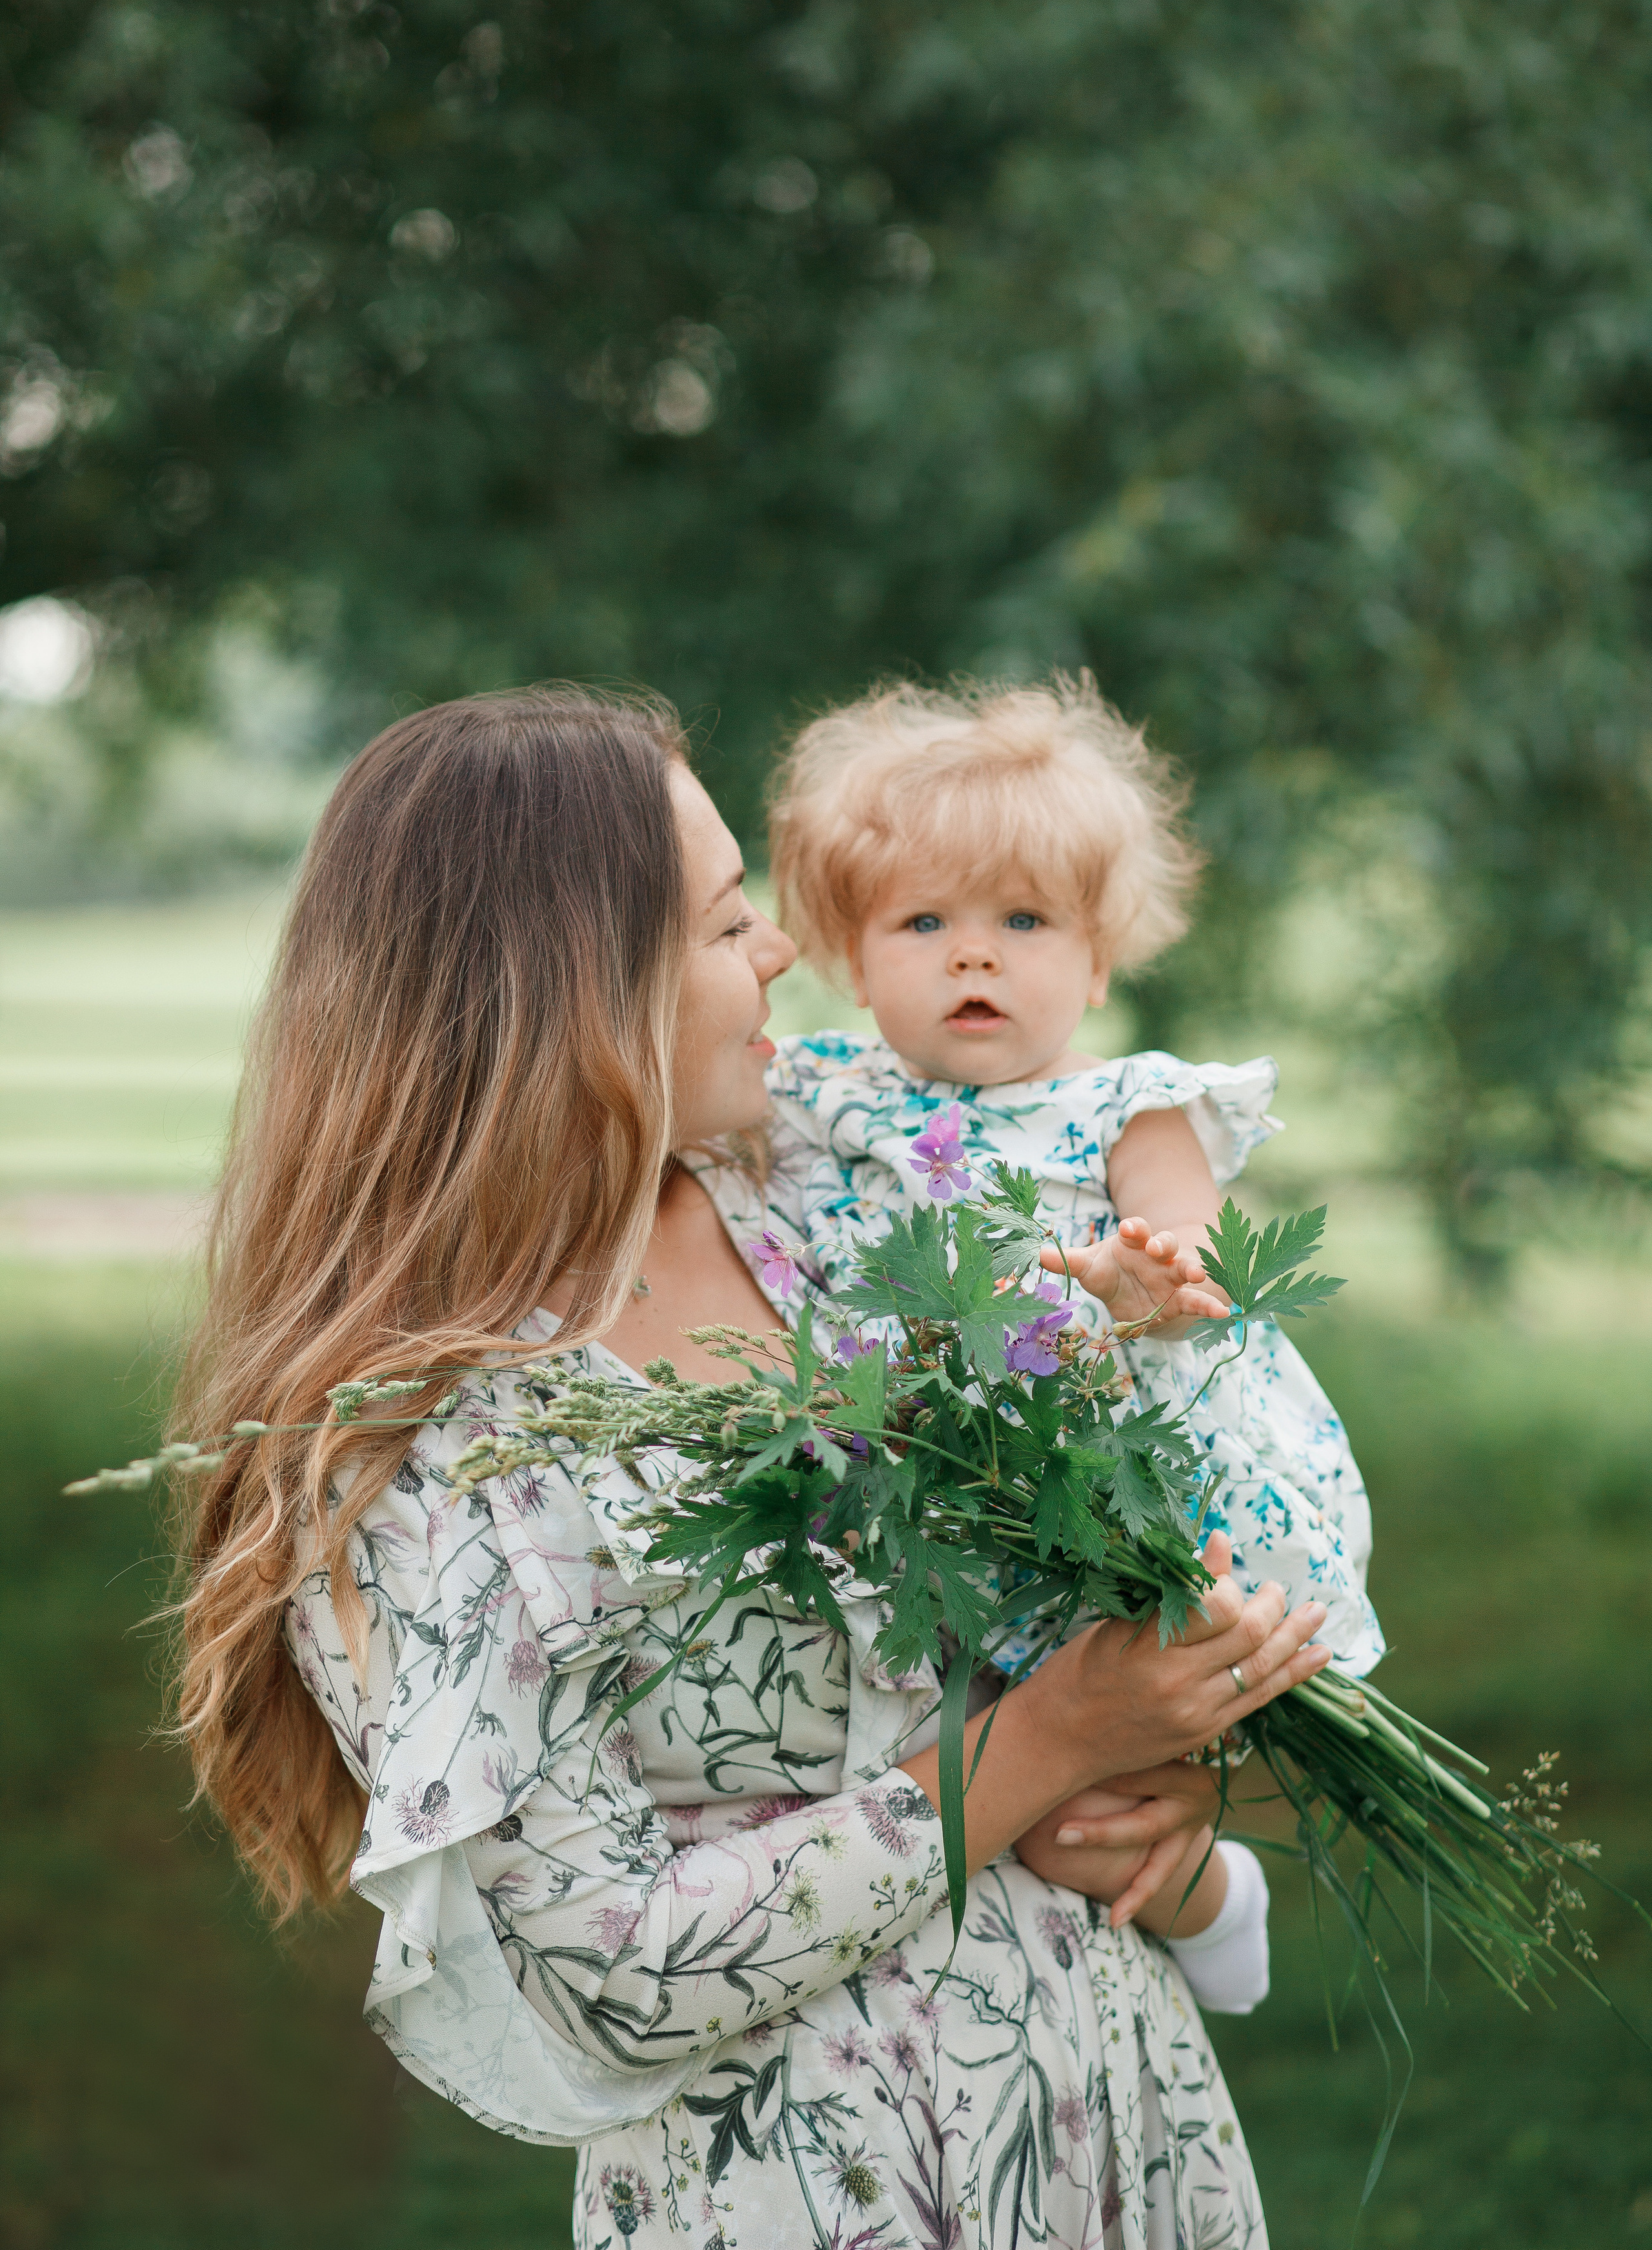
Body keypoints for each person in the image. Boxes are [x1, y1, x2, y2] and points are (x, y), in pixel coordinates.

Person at [176, 686, 1331, 2250]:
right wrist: (1047, 1744)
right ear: (578, 989)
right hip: (811, 2186)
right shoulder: (422, 1439)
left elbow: (1040, 1628)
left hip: (1112, 2116)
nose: (785, 950)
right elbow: (614, 1975)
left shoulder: (815, 1208)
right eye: (728, 926)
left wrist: (1165, 1798)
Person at [760, 673, 1384, 1905]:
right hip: (945, 1476)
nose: (975, 950)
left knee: (1117, 1760)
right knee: (1032, 1786)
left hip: (1107, 1454)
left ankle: (1215, 1911)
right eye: (923, 923)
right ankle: (1188, 1898)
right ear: (849, 955)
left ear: (1098, 962)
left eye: (1026, 923)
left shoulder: (1125, 1104)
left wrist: (1130, 1285)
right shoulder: (818, 1091)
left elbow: (1195, 1269)